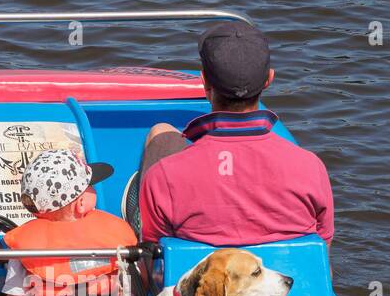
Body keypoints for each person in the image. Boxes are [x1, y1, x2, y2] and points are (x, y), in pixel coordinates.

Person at [133, 21, 334, 249]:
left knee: (161, 132)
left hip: (196, 281)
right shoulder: (310, 168)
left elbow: (155, 258)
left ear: (204, 81)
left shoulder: (163, 176)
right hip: (291, 281)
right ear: (269, 79)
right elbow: (322, 253)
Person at [2, 148, 137, 296]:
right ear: (81, 203)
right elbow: (130, 295)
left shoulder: (25, 246)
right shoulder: (116, 239)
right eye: (91, 186)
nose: (94, 189)